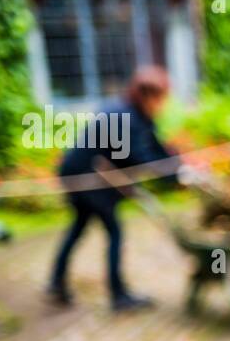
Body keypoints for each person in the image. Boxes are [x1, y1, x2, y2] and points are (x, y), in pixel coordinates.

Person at [47, 66, 176, 311]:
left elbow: (154, 148)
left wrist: (178, 164)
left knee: (78, 227)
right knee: (114, 231)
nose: (163, 105)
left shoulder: (136, 115)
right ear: (149, 96)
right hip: (85, 177)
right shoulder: (123, 116)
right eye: (162, 99)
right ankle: (118, 296)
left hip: (86, 175)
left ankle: (56, 283)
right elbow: (138, 157)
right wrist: (173, 172)